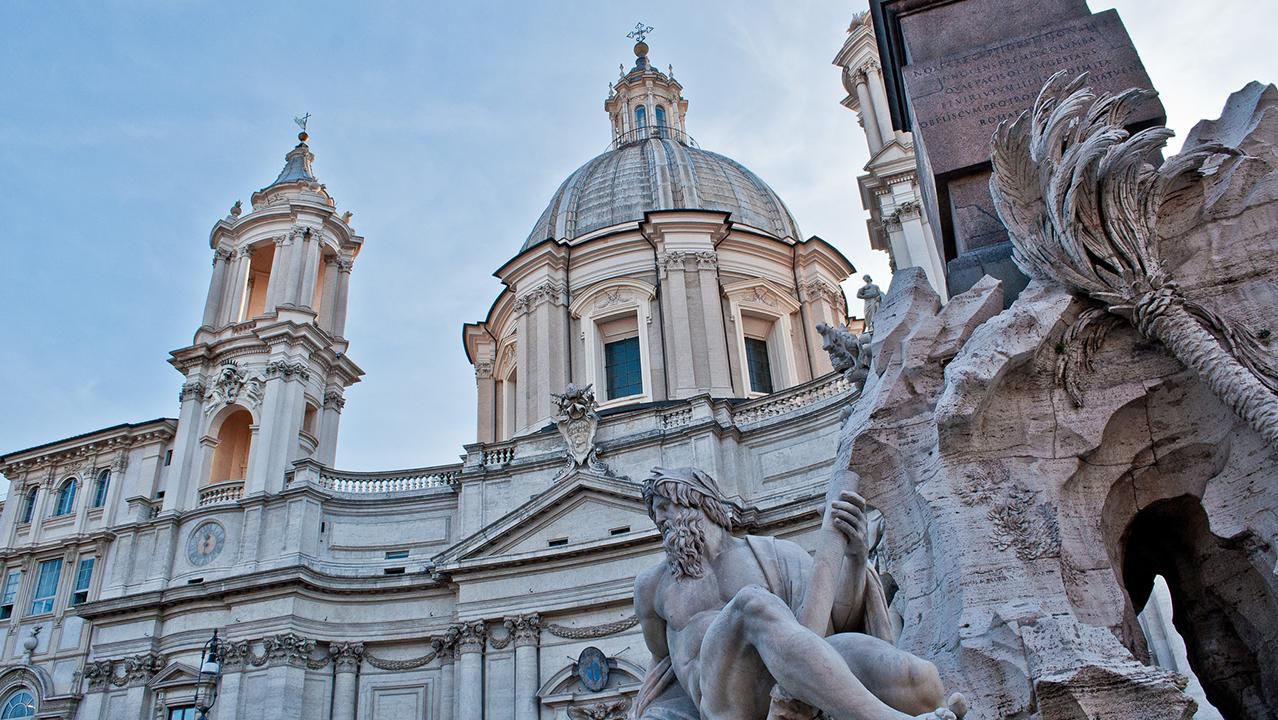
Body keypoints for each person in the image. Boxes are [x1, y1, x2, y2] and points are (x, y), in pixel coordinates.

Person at [633, 467, 961, 720]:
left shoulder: (774, 554)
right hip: (723, 703)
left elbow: (834, 621)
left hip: (788, 682)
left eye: (664, 507)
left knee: (916, 676)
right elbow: (664, 670)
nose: (658, 520)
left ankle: (938, 709)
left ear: (697, 501)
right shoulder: (654, 586)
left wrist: (856, 557)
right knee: (751, 603)